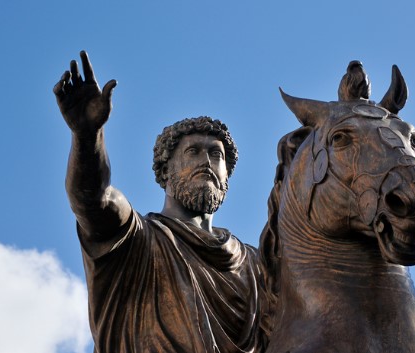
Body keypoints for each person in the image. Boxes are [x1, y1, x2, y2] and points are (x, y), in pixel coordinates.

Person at [53, 51, 267, 353]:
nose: (206, 161)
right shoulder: (136, 238)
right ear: (165, 170)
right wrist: (88, 136)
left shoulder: (256, 265)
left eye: (216, 154)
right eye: (193, 152)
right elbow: (93, 200)